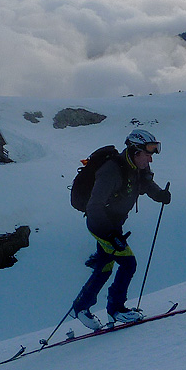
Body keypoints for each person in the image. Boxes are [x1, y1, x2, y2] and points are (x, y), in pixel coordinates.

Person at [71, 129, 171, 329]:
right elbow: (94, 207)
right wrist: (110, 235)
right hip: (101, 225)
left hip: (113, 226)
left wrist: (160, 195)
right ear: (135, 151)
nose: (150, 160)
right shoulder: (111, 171)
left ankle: (82, 307)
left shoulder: (136, 168)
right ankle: (116, 309)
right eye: (148, 154)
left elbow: (146, 185)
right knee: (128, 264)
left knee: (105, 267)